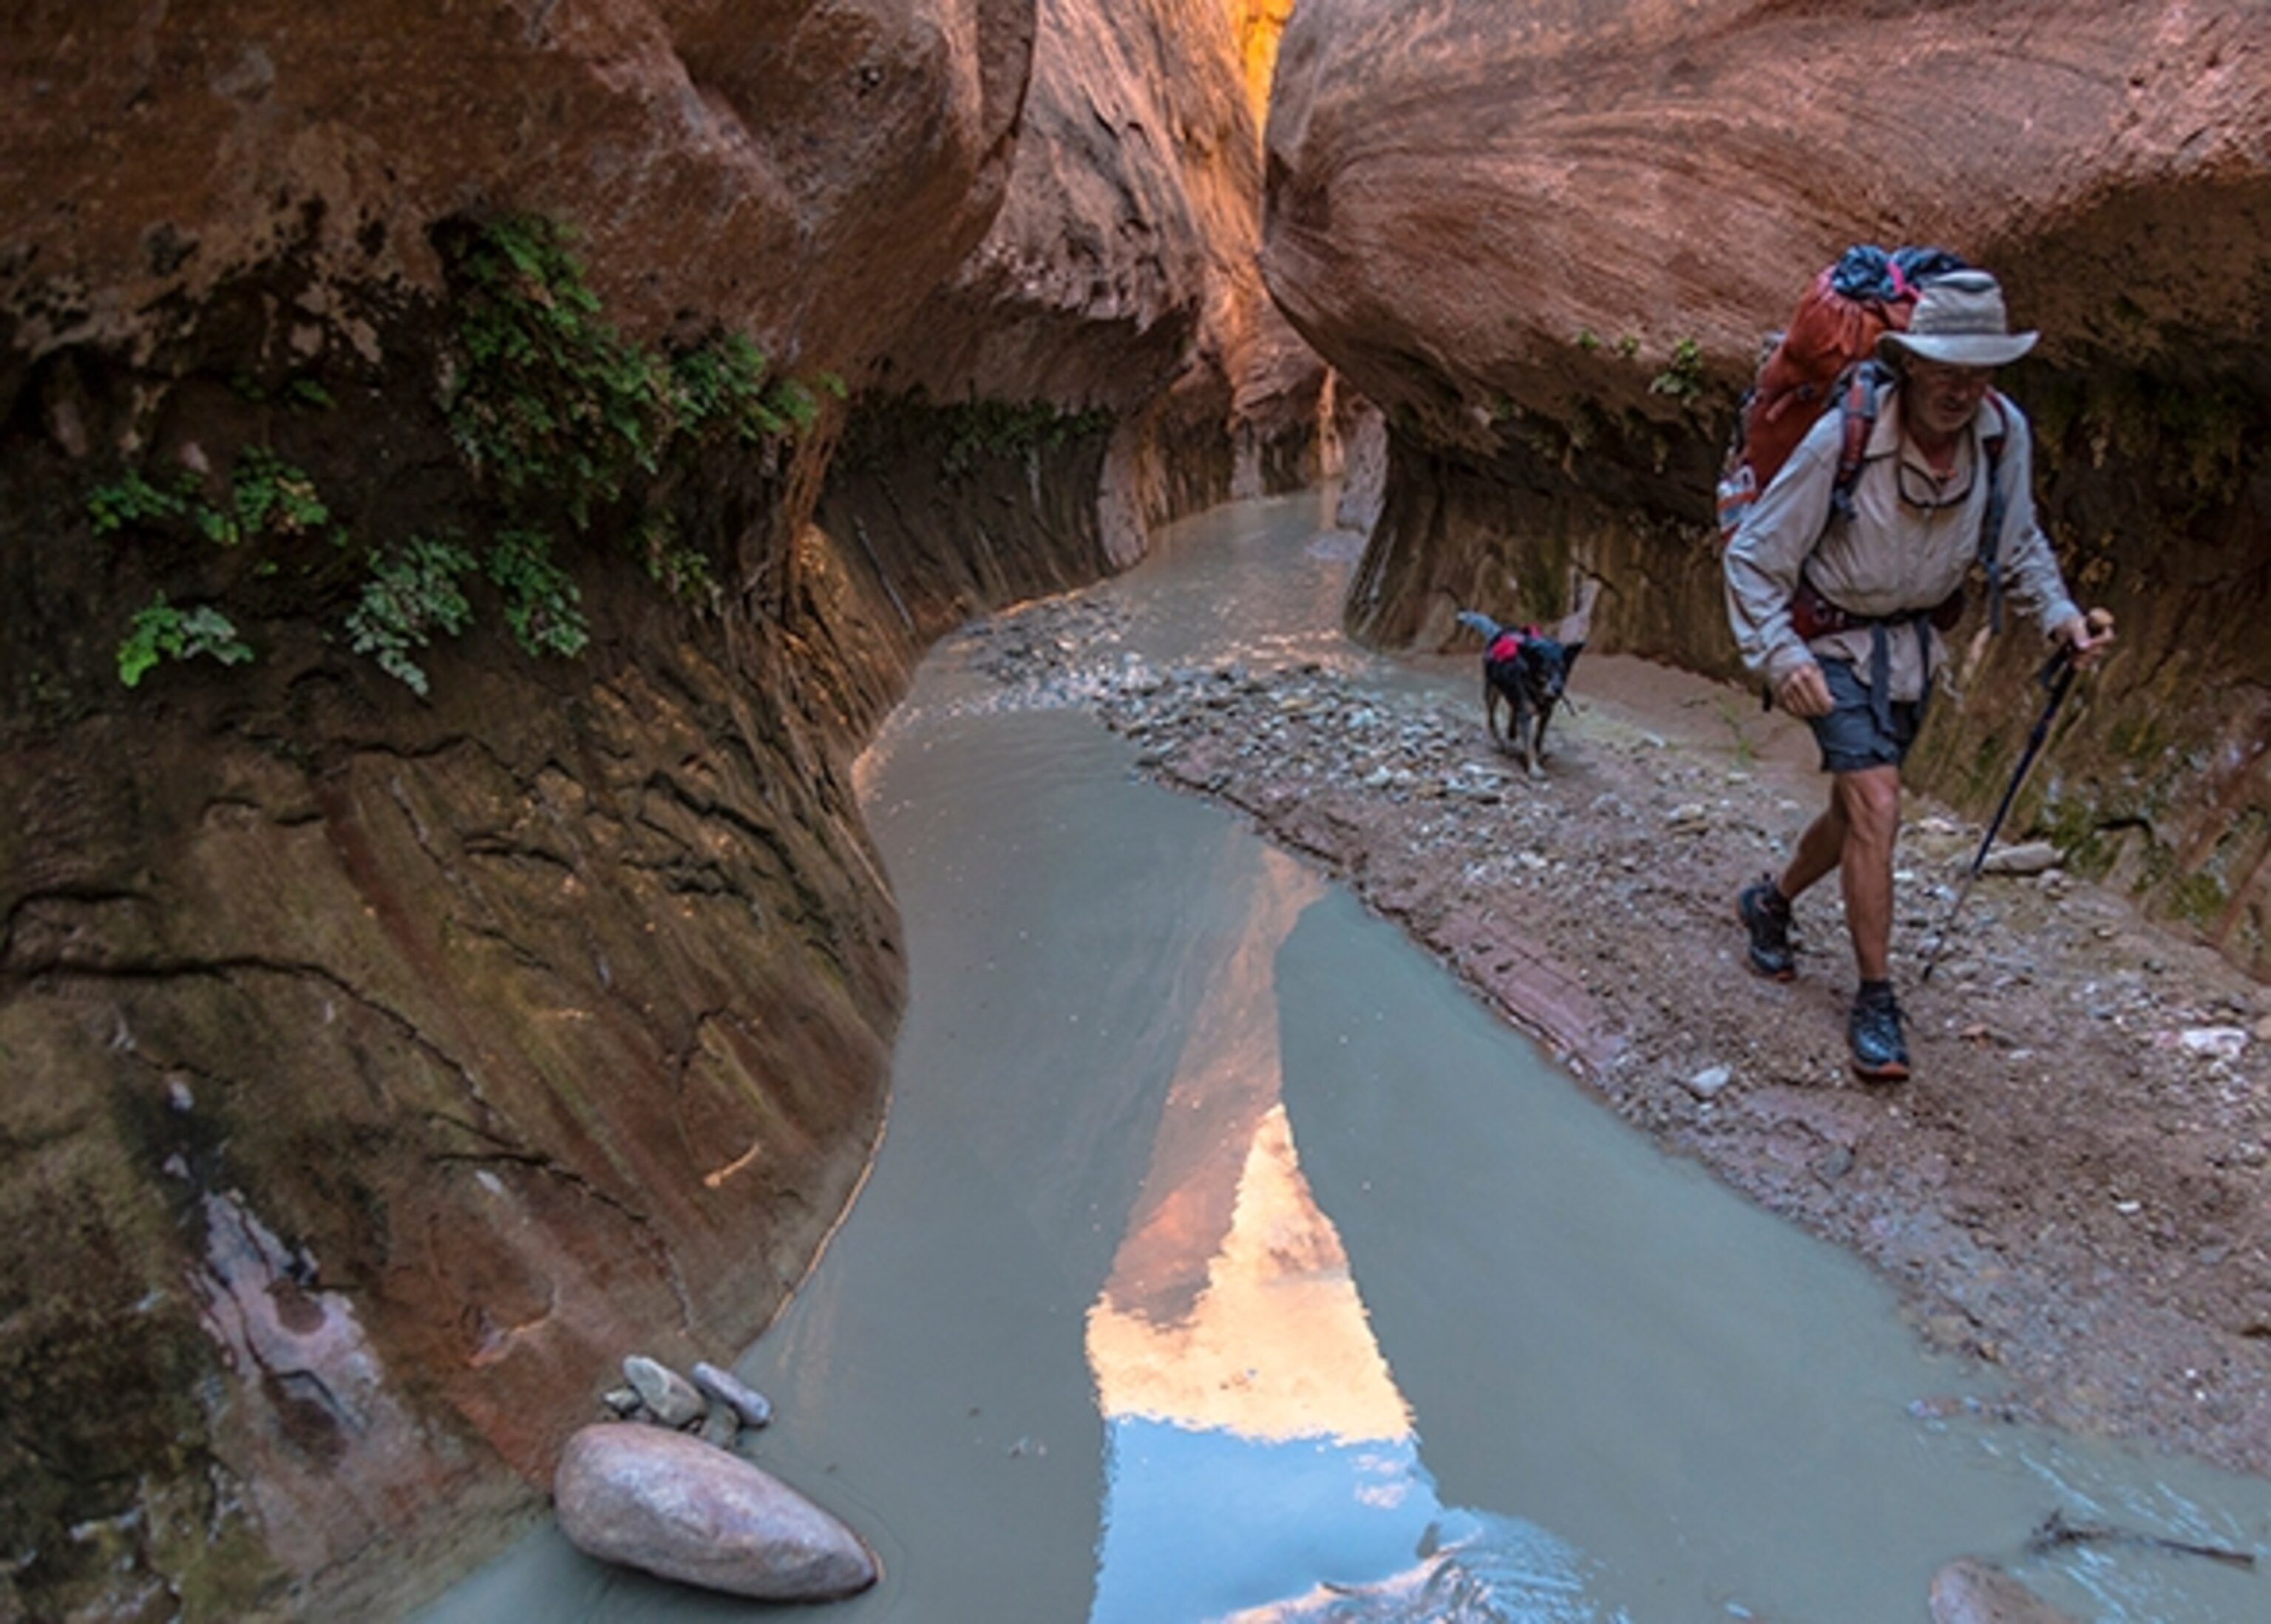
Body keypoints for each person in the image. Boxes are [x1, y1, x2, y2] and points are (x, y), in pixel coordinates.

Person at [1722, 268, 2113, 1082]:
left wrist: (2062, 617)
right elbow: (1755, 557)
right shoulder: (1845, 438)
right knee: (1879, 800)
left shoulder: (2002, 436)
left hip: (1913, 654)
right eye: (1944, 368)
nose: (1960, 388)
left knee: (1854, 809)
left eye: (1976, 371)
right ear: (1911, 362)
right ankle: (1875, 1000)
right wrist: (1781, 654)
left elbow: (2018, 542)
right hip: (1830, 643)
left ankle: (1773, 901)